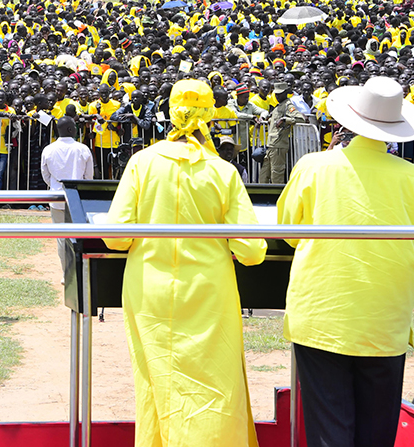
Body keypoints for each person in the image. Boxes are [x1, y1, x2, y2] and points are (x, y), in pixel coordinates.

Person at [104, 79, 265, 446]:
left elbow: (116, 237)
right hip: (210, 294)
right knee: (213, 386)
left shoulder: (141, 163)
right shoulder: (223, 172)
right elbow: (253, 251)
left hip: (150, 293)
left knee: (155, 383)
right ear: (210, 115)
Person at [277, 76, 414, 447]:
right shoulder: (413, 176)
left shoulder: (314, 165)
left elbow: (287, 229)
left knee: (329, 426)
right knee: (377, 429)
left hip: (322, 313)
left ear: (347, 121)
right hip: (384, 318)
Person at [40, 116, 94, 224]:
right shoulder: (83, 149)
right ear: (70, 129)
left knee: (60, 234)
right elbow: (89, 176)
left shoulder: (48, 149)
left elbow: (45, 175)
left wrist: (54, 184)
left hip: (56, 196)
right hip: (77, 197)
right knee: (76, 235)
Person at [261, 83, 303, 183]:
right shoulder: (278, 106)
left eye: (280, 94)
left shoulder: (288, 105)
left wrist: (285, 120)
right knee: (264, 173)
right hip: (271, 144)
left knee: (277, 173)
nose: (277, 96)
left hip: (279, 145)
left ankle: (277, 196)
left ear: (285, 93)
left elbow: (300, 119)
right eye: (276, 94)